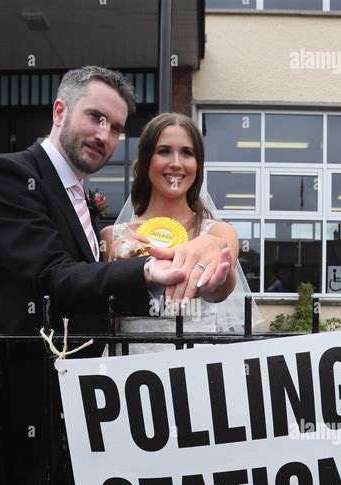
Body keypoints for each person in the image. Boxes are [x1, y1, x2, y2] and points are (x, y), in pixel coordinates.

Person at [0, 66, 231, 335]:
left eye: (116, 128)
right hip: (28, 369)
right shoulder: (8, 175)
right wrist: (146, 272)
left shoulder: (81, 200)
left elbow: (94, 290)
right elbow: (50, 276)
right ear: (59, 112)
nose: (104, 136)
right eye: (95, 117)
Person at [100, 113, 262, 353]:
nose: (176, 162)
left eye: (187, 153)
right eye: (164, 151)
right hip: (132, 373)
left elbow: (219, 292)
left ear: (198, 165)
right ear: (146, 161)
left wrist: (214, 258)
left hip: (197, 371)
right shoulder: (112, 237)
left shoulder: (219, 232)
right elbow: (107, 320)